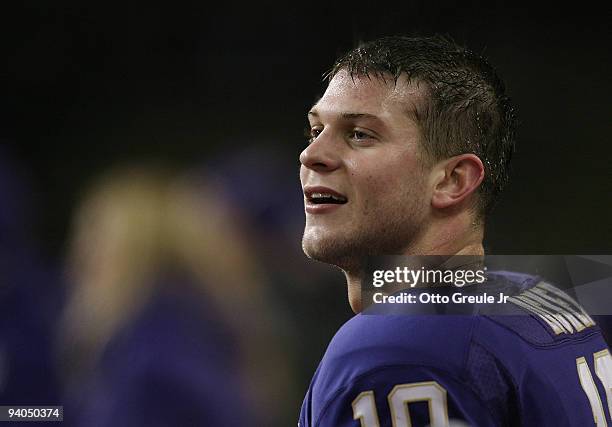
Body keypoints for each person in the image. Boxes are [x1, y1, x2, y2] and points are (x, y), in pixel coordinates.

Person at [297, 36, 611, 426]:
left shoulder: (396, 347)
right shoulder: (550, 294)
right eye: (315, 131)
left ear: (452, 181)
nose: (312, 154)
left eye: (360, 134)